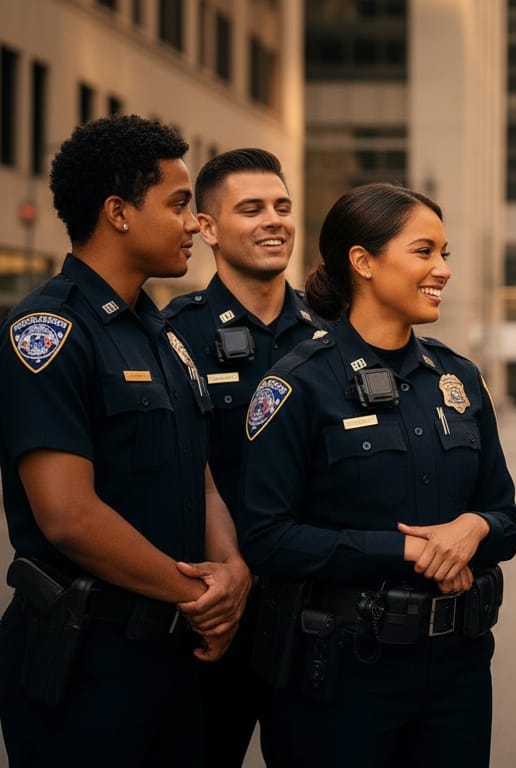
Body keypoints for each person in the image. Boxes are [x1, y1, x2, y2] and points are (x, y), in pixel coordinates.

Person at [235, 181, 516, 767]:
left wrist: (474, 528)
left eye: (445, 254)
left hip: (458, 671)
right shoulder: (297, 384)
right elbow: (266, 537)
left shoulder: (458, 379)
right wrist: (406, 551)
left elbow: (506, 515)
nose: (442, 269)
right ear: (363, 262)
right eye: (424, 252)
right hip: (342, 672)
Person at [0, 115, 249, 766]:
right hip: (87, 659)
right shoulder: (48, 332)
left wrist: (233, 570)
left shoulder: (162, 333)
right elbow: (67, 516)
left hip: (174, 652)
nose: (195, 223)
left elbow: (196, 473)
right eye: (178, 204)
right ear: (117, 212)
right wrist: (198, 593)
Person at [163, 148, 324, 767]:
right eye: (251, 209)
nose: (274, 221)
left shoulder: (332, 330)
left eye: (282, 207)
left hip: (318, 614)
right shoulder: (173, 335)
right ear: (207, 227)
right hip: (216, 618)